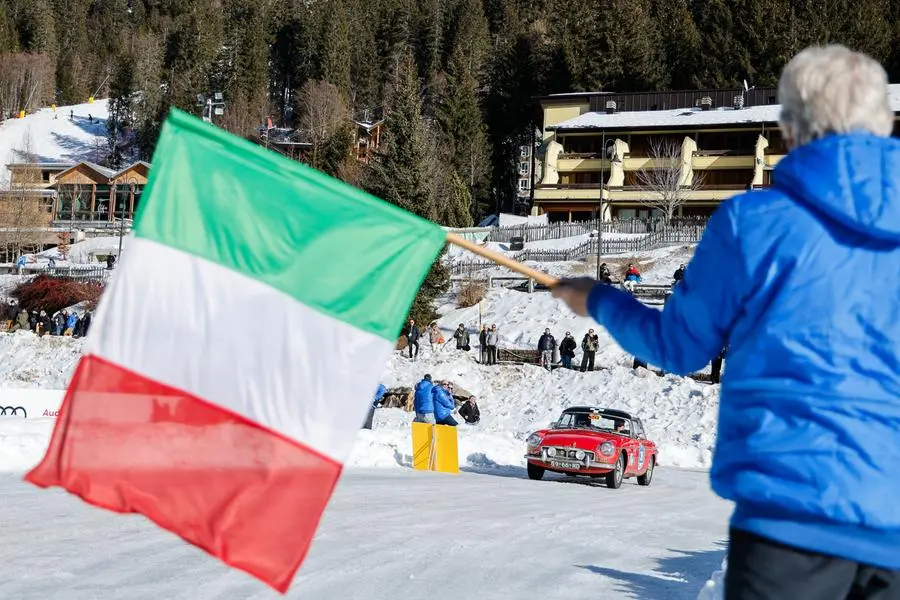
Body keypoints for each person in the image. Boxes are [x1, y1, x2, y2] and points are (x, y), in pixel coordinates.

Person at [552, 45, 900, 600]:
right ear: (882, 124)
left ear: (791, 127)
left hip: (789, 514)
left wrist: (599, 301)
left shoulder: (751, 224)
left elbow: (678, 347)